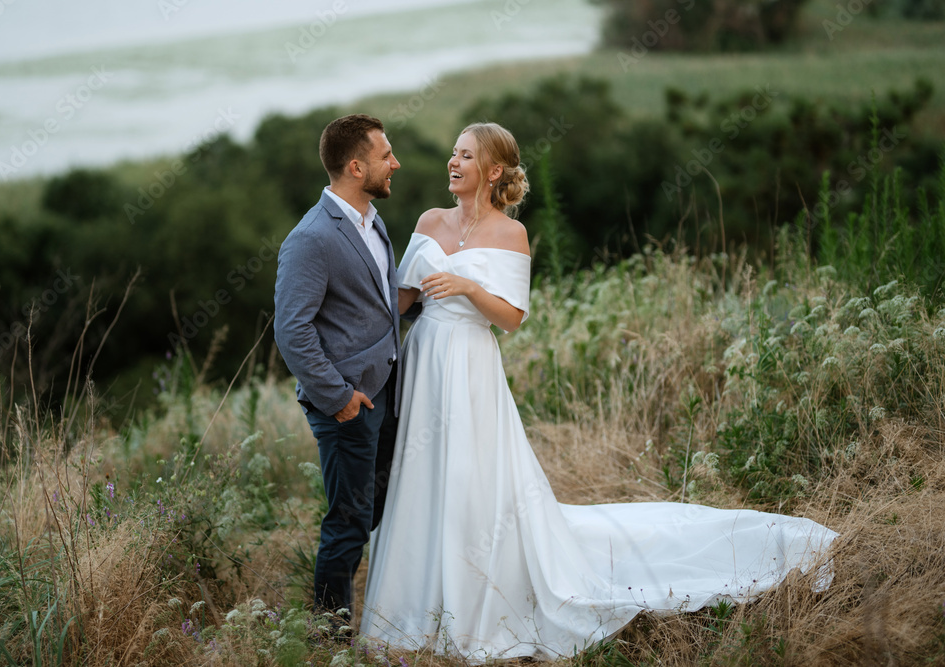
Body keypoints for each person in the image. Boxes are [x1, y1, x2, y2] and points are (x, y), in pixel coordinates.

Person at [359, 122, 839, 662]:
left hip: (470, 362)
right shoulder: (428, 221)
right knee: (422, 473)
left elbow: (513, 318)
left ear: (493, 171)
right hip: (425, 358)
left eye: (465, 156)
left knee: (472, 476)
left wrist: (469, 286)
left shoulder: (510, 234)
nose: (453, 162)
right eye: (453, 153)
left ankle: (474, 602)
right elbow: (399, 301)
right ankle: (414, 608)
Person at [274, 114, 403, 627]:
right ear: (355, 166)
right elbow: (292, 331)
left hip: (386, 393)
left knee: (375, 510)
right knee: (348, 523)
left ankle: (381, 611)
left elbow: (374, 302)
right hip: (348, 406)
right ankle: (330, 639)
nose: (395, 162)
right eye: (385, 155)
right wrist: (341, 397)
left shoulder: (373, 220)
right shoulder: (310, 238)